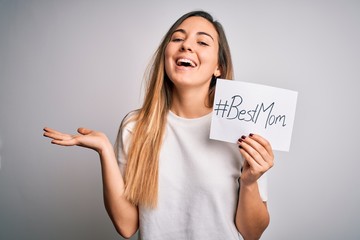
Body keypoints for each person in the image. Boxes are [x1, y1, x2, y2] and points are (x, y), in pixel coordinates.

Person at [43, 10, 274, 240]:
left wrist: (250, 181)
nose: (186, 46)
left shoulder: (241, 128)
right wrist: (104, 149)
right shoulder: (136, 127)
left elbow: (251, 234)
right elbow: (127, 226)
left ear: (218, 67)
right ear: (166, 55)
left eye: (202, 41)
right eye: (177, 38)